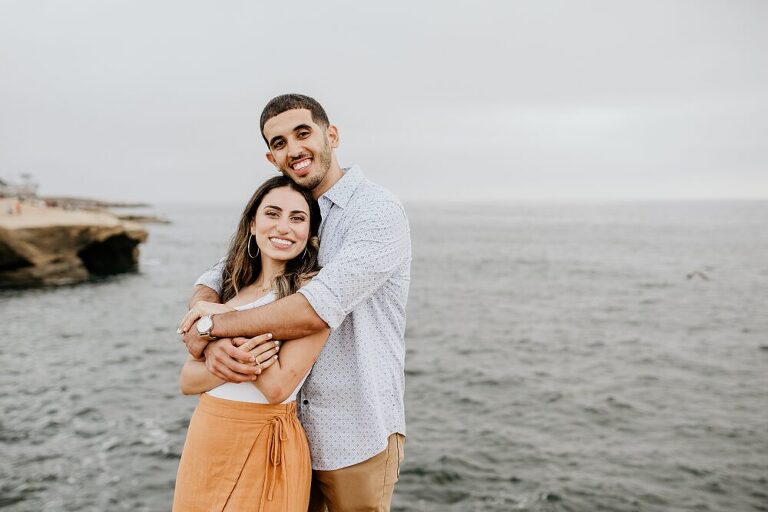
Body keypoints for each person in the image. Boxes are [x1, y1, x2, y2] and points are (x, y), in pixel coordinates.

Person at [179, 93, 411, 511]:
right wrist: (203, 319)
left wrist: (212, 328)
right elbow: (218, 274)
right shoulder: (293, 208)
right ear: (271, 158)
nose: (294, 149)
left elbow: (314, 308)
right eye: (280, 142)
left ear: (332, 135)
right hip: (287, 433)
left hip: (354, 431)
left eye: (303, 133)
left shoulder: (376, 211)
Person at [173, 175, 330, 511]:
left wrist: (219, 324)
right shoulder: (232, 290)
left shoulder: (311, 296)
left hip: (264, 442)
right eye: (273, 214)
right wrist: (236, 345)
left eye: (297, 218)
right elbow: (188, 380)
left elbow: (276, 387)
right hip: (207, 440)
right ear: (252, 225)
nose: (284, 227)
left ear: (310, 234)